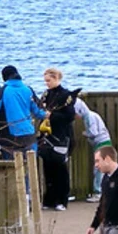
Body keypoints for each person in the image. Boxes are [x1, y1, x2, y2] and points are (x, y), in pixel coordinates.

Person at [0, 65, 45, 160]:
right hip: (29, 136)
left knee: (13, 170)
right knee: (31, 169)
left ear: (4, 78)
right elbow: (40, 112)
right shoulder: (28, 89)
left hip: (10, 139)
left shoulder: (1, 92)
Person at [39, 67, 78, 210]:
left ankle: (62, 200)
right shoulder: (46, 95)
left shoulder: (65, 96)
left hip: (61, 135)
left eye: (49, 81)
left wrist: (52, 116)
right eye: (45, 81)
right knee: (48, 168)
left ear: (56, 78)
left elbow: (70, 116)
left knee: (60, 169)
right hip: (47, 136)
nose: (47, 84)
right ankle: (49, 200)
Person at [73, 96, 111, 199]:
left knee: (99, 169)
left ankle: (98, 192)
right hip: (104, 142)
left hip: (101, 143)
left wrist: (85, 134)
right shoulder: (91, 115)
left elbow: (93, 132)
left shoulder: (89, 117)